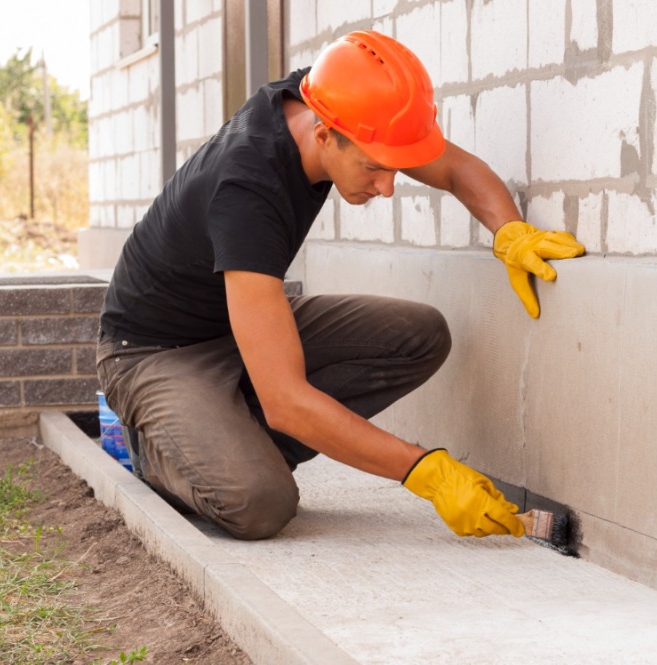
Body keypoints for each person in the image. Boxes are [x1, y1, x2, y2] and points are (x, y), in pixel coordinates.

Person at [96, 30, 584, 541]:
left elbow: (455, 168)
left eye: (394, 167)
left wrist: (510, 232)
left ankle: (236, 440)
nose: (388, 187)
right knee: (258, 503)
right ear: (324, 134)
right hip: (153, 353)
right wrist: (427, 472)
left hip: (234, 327)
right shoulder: (246, 193)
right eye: (375, 168)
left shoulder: (336, 102)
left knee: (418, 334)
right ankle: (162, 449)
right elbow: (285, 400)